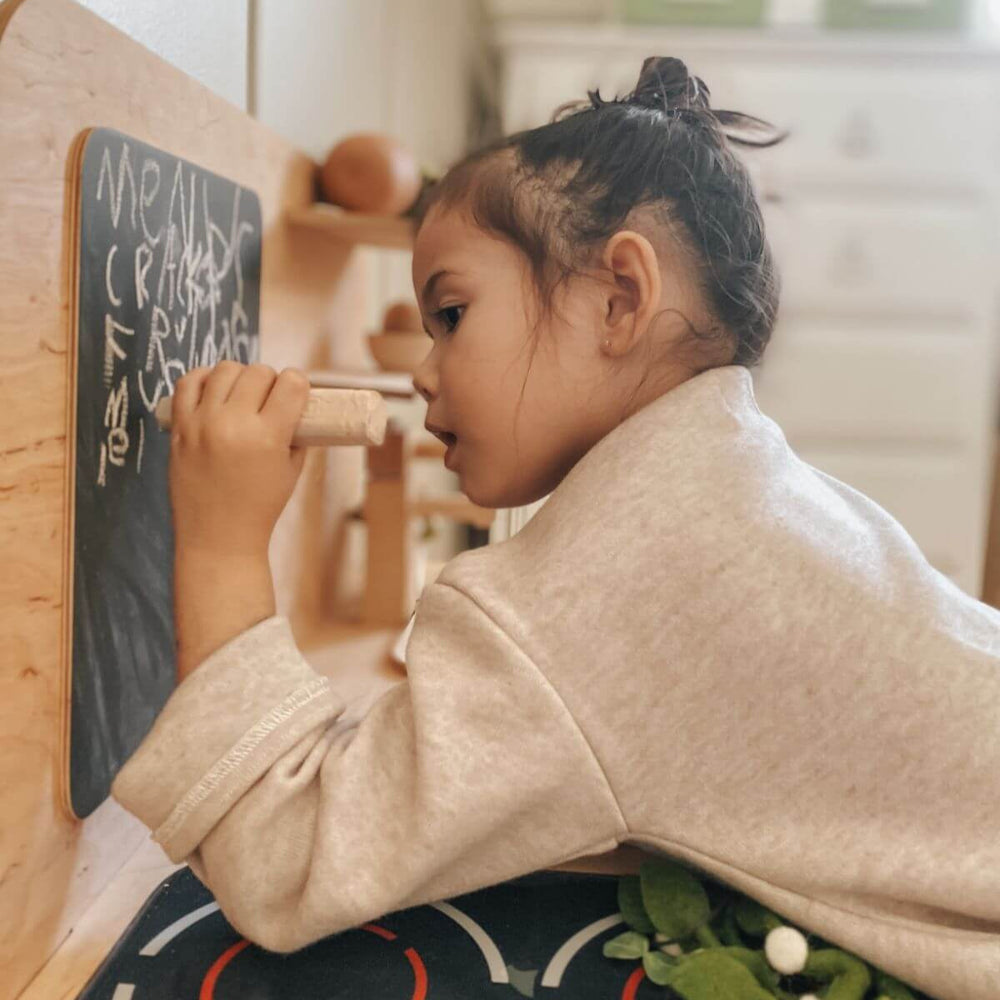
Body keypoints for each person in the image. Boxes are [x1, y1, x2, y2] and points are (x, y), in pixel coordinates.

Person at [112, 56, 1000, 1000]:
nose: (421, 370)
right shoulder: (738, 480)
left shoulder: (616, 579)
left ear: (620, 297)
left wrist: (219, 543)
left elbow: (282, 858)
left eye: (452, 313)